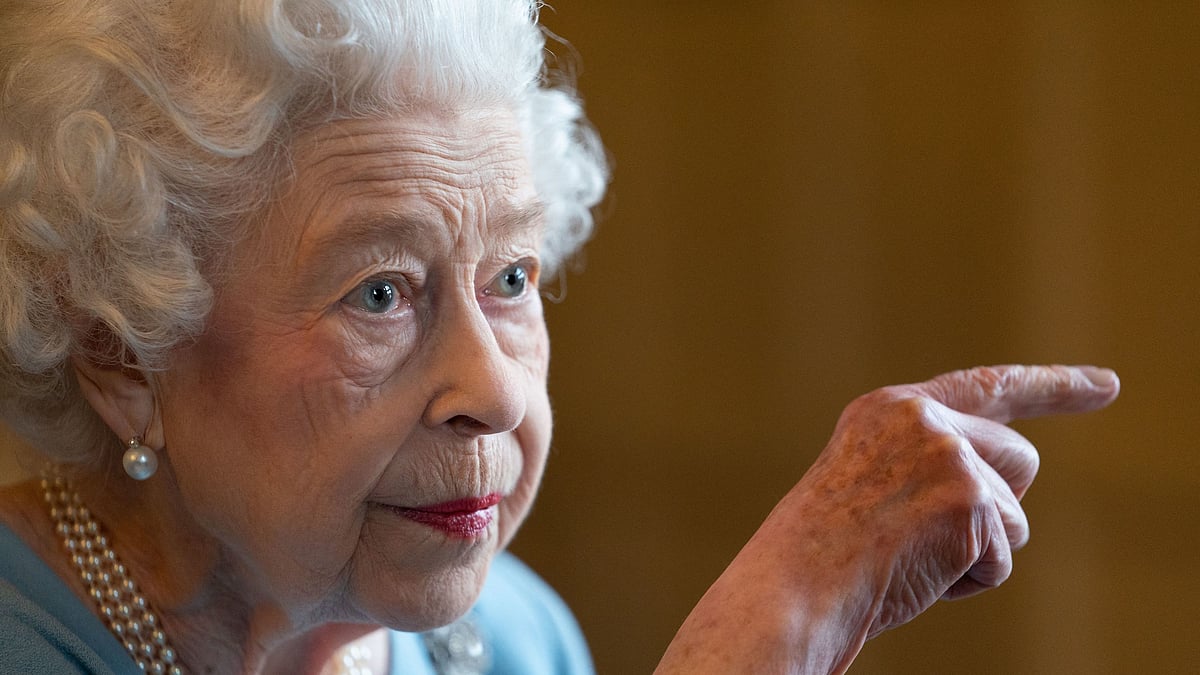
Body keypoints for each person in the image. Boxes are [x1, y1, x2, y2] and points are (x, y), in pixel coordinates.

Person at [0, 1, 1119, 673]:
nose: (491, 388)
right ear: (122, 353)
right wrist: (776, 626)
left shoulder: (517, 637)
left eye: (513, 277)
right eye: (380, 294)